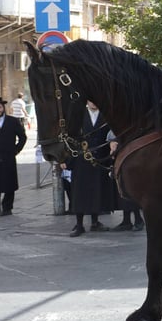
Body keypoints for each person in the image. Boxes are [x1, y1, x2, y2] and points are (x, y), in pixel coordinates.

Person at [61, 100, 117, 237]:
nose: (94, 103)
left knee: (96, 191)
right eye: (91, 100)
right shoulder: (78, 115)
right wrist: (64, 159)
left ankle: (95, 222)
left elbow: (112, 134)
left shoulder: (106, 115)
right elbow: (68, 138)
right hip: (81, 159)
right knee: (79, 192)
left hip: (100, 159)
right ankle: (79, 224)